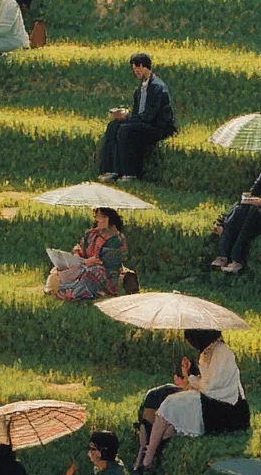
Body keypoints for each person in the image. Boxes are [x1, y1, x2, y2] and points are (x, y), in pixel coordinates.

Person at [136, 332, 250, 475]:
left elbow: (211, 386)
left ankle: (147, 458)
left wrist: (190, 378)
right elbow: (204, 384)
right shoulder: (206, 353)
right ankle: (149, 454)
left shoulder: (223, 352)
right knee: (169, 417)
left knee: (171, 404)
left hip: (228, 409)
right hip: (212, 401)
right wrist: (188, 375)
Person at [98, 52, 176, 182]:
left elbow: (150, 115)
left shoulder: (157, 87)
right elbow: (137, 112)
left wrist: (128, 118)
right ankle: (111, 169)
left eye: (136, 69)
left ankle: (129, 172)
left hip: (157, 126)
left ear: (143, 67)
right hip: (143, 122)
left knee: (126, 130)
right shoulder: (140, 89)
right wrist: (123, 115)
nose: (136, 73)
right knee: (114, 126)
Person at [44, 207, 127, 301]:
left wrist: (88, 262)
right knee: (59, 269)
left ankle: (73, 293)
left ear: (108, 218)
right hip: (84, 264)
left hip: (105, 273)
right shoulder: (92, 233)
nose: (97, 220)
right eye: (96, 217)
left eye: (100, 217)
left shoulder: (116, 239)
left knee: (94, 272)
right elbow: (80, 247)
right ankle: (57, 289)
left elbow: (109, 263)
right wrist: (77, 255)